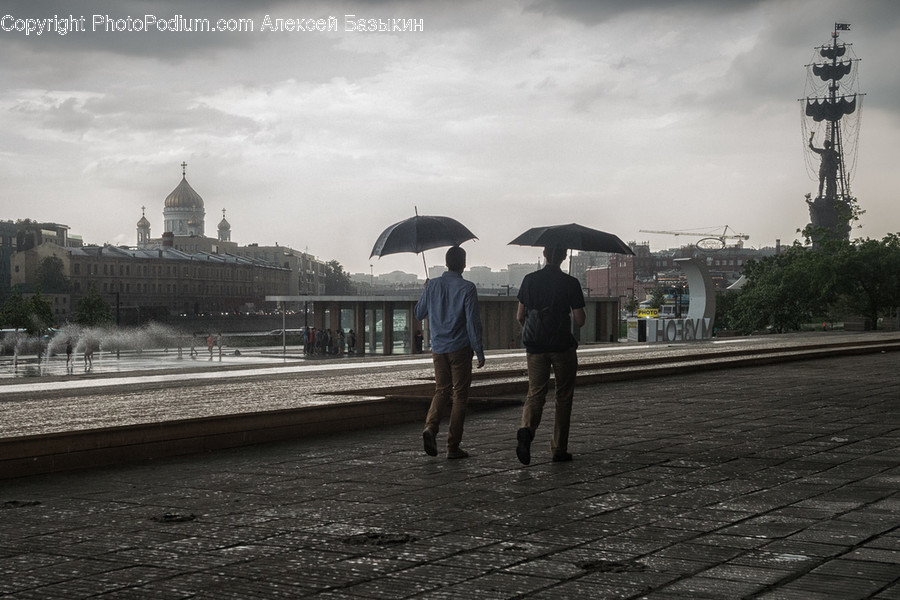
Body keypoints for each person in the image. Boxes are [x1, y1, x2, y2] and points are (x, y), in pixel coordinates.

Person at [515, 246, 586, 465]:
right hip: (562, 346)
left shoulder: (529, 280)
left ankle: (526, 430)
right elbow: (580, 320)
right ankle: (558, 449)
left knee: (535, 393)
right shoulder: (570, 283)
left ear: (545, 255)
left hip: (535, 347)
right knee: (563, 396)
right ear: (564, 257)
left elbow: (520, 316)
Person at [415, 246, 485, 459]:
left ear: (446, 263)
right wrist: (479, 350)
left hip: (438, 348)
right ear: (463, 263)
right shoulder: (467, 288)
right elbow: (473, 323)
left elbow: (419, 313)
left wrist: (425, 289)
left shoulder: (433, 285)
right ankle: (452, 446)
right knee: (460, 396)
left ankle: (430, 427)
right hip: (460, 348)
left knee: (441, 390)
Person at [809, 132, 839, 198]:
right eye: (824, 144)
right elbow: (813, 149)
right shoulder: (823, 151)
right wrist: (810, 142)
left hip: (829, 168)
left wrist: (836, 161)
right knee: (821, 183)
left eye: (826, 144)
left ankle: (830, 195)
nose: (825, 145)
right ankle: (820, 195)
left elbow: (836, 158)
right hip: (823, 168)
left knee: (829, 182)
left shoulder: (832, 152)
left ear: (828, 145)